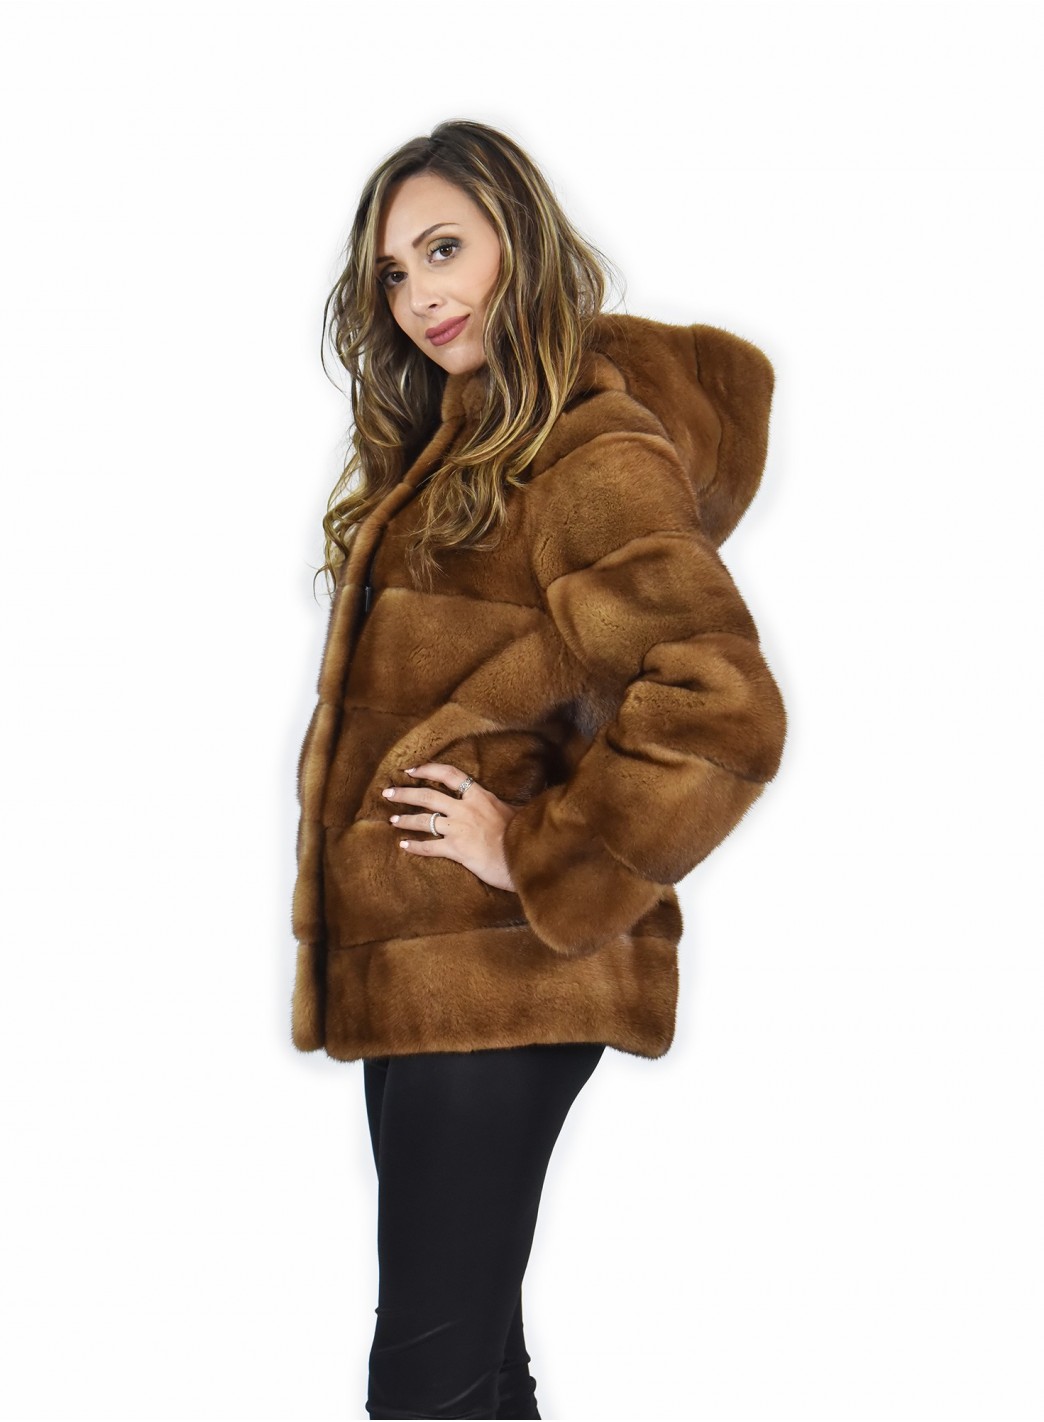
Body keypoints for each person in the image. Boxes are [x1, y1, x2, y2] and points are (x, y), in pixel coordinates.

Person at [290, 119, 788, 1420]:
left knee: (429, 1378)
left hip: (508, 969)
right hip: (437, 979)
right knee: (473, 1367)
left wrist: (534, 849)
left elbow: (724, 705)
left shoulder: (587, 450)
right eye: (393, 272)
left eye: (443, 248)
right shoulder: (474, 450)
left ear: (520, 238)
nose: (420, 295)